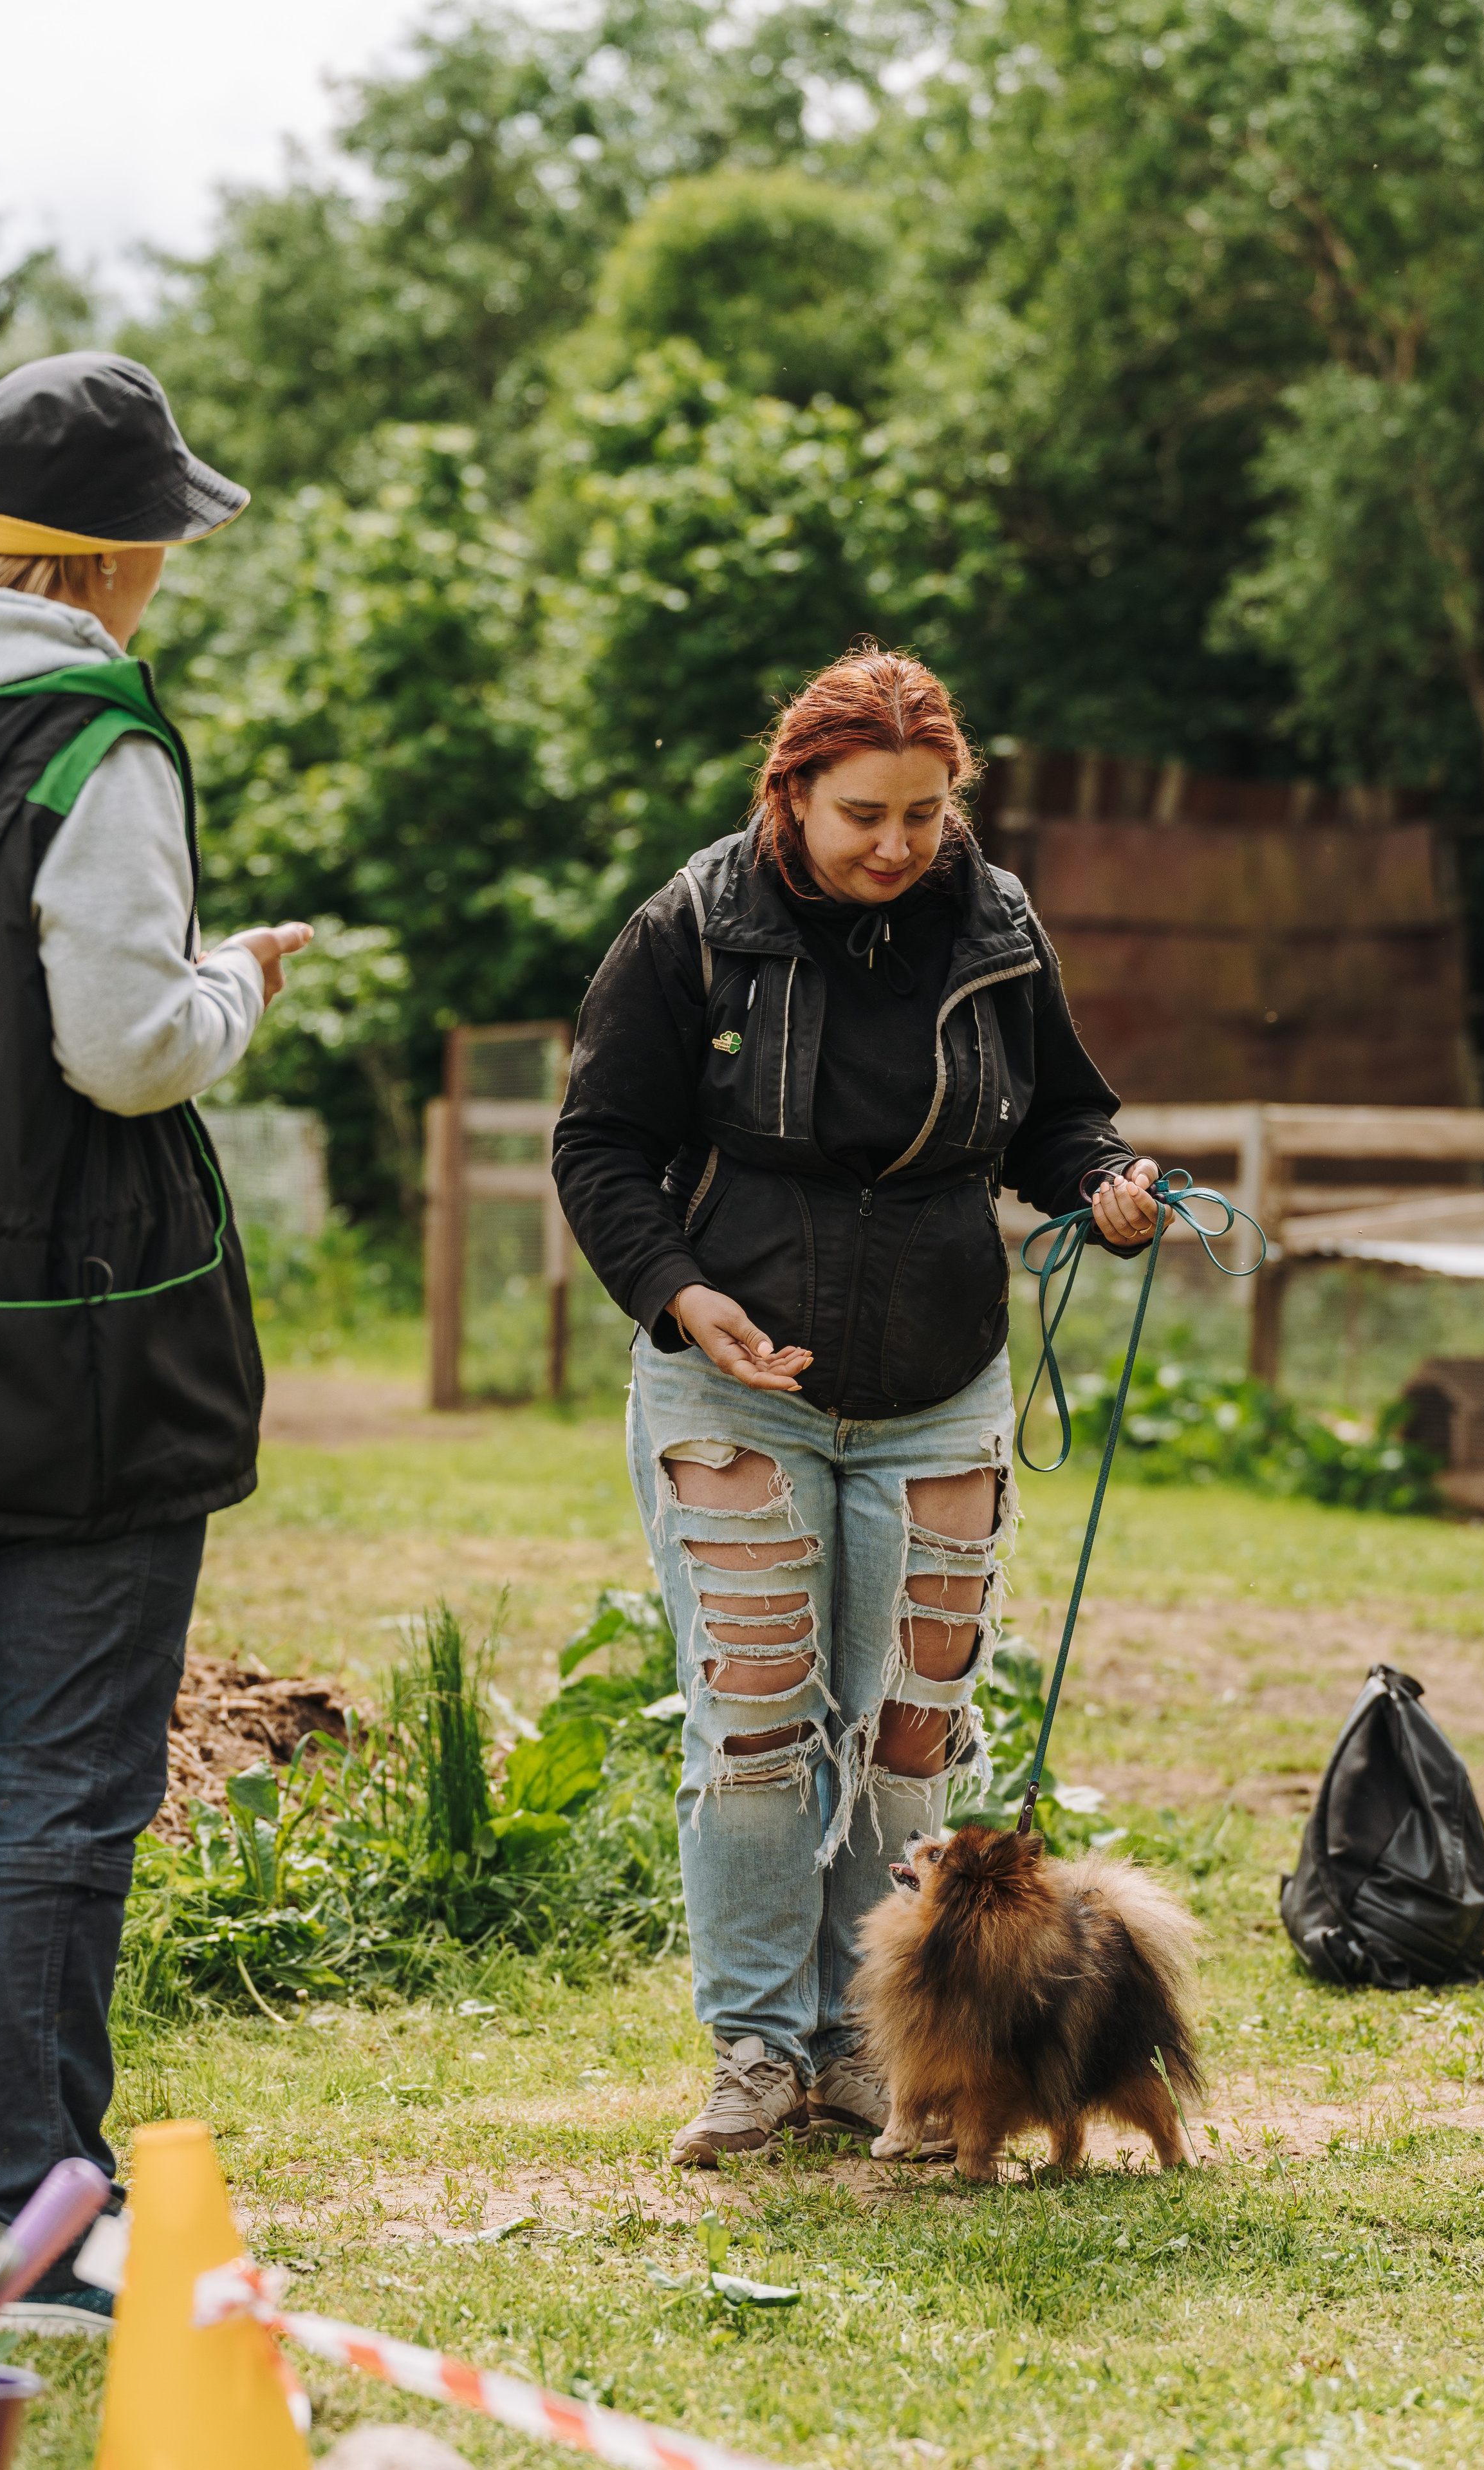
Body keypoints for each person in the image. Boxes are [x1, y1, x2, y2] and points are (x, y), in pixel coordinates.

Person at [553, 647, 1168, 2166]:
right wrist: (678, 1289)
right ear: (791, 793)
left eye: (922, 813)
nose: (895, 845)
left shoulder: (997, 923)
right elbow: (599, 1145)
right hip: (733, 1381)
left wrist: (1103, 1186)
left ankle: (870, 2047)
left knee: (910, 1735)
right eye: (859, 815)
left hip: (936, 1384)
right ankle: (757, 2048)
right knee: (756, 1725)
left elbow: (1058, 1113)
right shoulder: (690, 927)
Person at [0, 353, 311, 2326]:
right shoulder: (93, 735)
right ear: (112, 556)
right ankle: (31, 2207)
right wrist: (232, 985)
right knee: (62, 1793)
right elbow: (122, 1050)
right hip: (69, 1343)